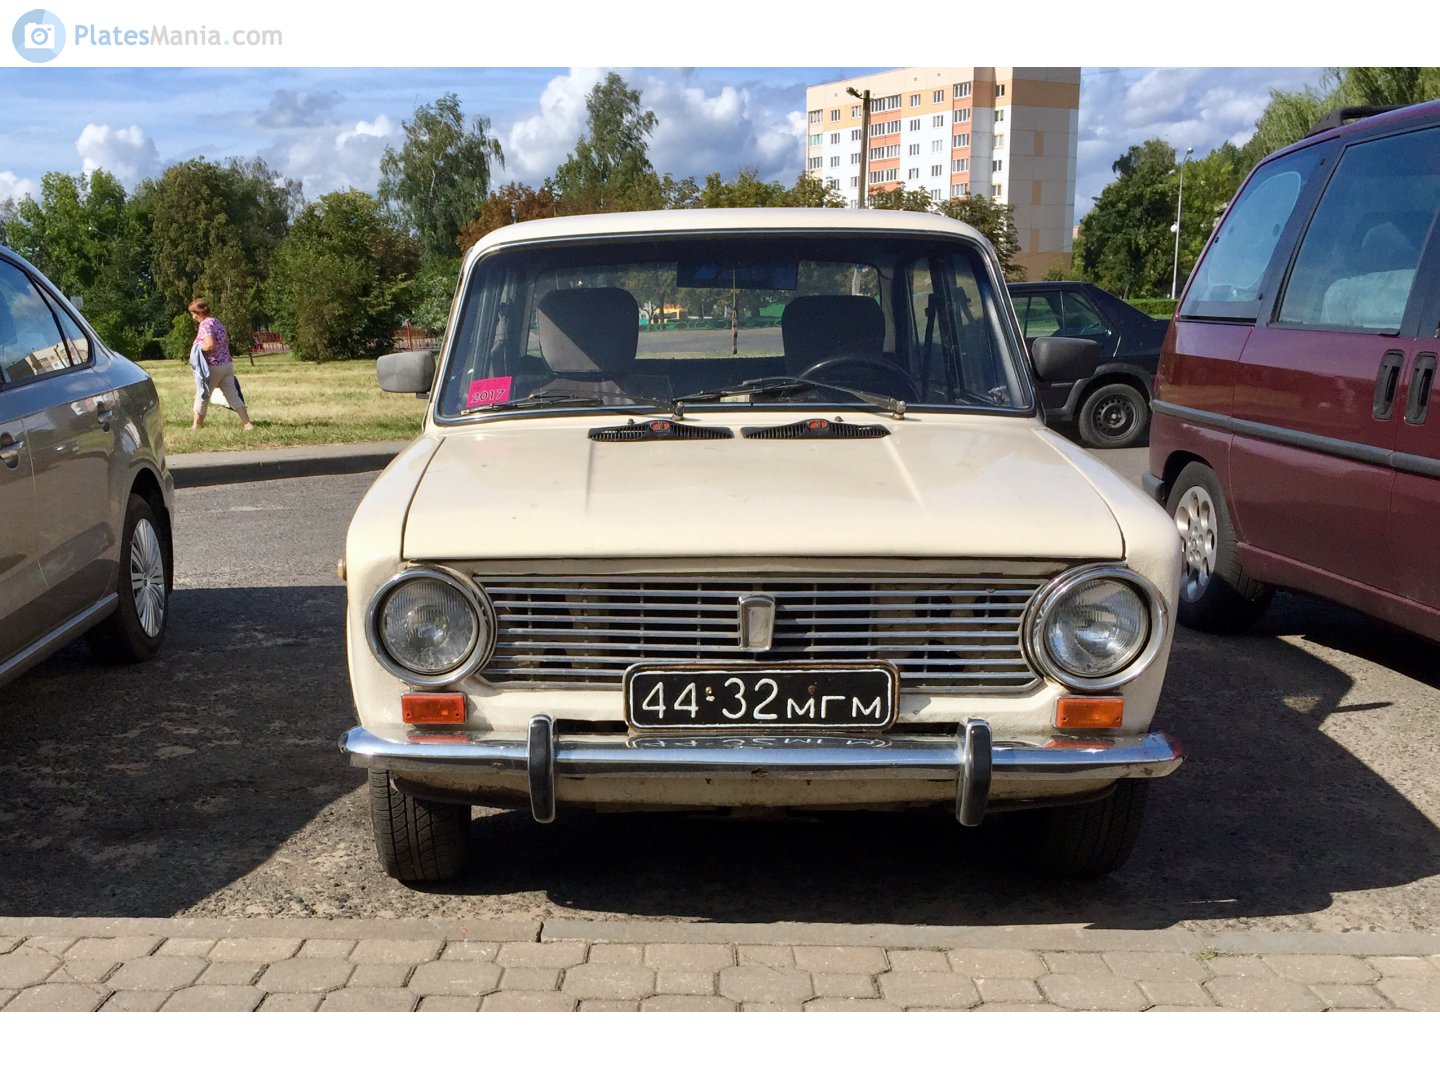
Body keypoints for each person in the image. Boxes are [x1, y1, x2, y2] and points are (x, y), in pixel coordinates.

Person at [188, 298, 253, 430]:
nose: (193, 317)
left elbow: (211, 346)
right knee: (232, 395)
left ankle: (196, 426)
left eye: (193, 313)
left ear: (199, 312)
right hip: (226, 365)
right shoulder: (217, 322)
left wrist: (198, 348)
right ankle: (247, 424)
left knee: (202, 394)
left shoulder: (205, 325)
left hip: (213, 366)